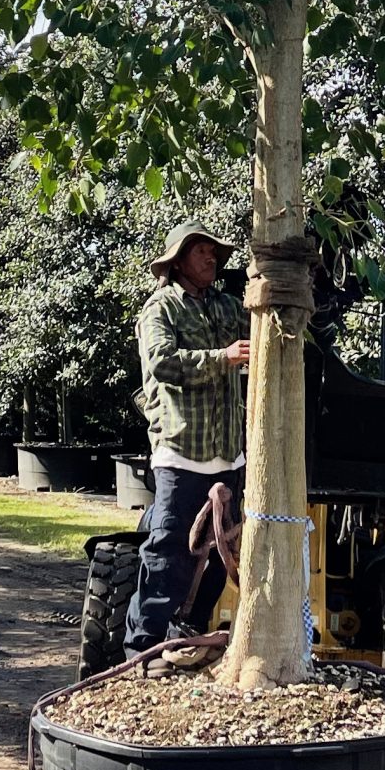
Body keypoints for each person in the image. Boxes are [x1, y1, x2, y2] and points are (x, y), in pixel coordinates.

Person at [124, 221, 250, 655]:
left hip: (228, 458)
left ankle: (187, 639)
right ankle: (140, 653)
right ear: (178, 260)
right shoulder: (159, 309)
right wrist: (222, 358)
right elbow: (162, 364)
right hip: (181, 455)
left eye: (214, 252)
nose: (212, 258)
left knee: (221, 557)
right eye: (201, 251)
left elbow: (265, 321)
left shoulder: (228, 307)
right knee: (167, 555)